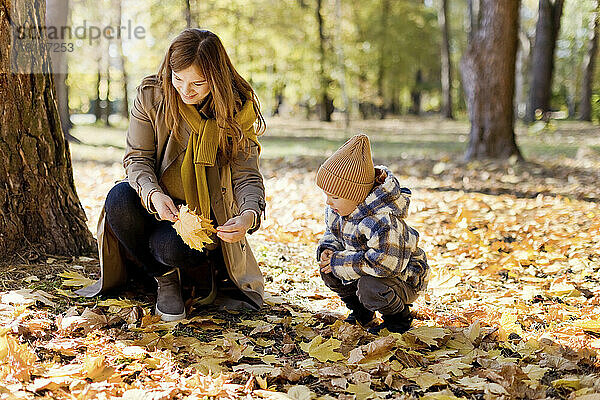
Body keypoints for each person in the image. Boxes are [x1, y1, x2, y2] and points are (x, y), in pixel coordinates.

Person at [76, 29, 266, 322]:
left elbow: (246, 176)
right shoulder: (152, 95)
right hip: (152, 203)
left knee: (169, 246)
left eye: (198, 83)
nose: (185, 91)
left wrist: (248, 215)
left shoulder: (237, 110)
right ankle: (164, 279)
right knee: (118, 198)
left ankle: (189, 271)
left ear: (216, 79)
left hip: (202, 217)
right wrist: (154, 194)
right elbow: (137, 158)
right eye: (179, 79)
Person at [316, 134, 429, 334]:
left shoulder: (382, 221)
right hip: (364, 267)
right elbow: (333, 233)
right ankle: (361, 312)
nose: (328, 202)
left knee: (370, 286)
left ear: (356, 196)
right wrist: (329, 249)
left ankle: (398, 318)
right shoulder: (339, 210)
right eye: (326, 195)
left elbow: (385, 265)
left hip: (401, 277)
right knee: (330, 270)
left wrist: (340, 262)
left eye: (334, 196)